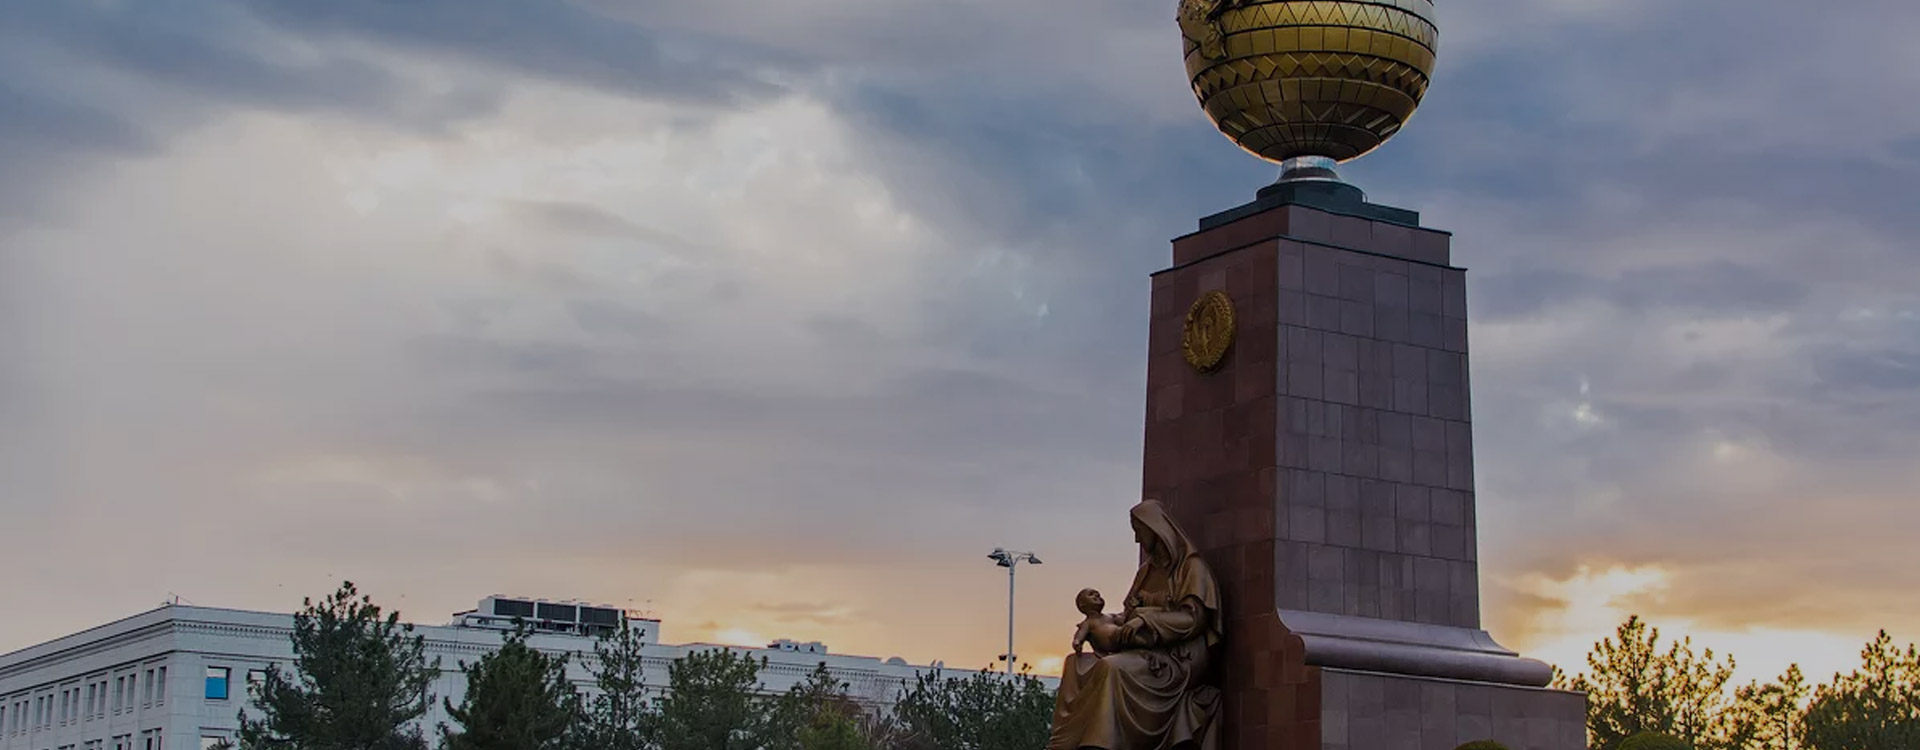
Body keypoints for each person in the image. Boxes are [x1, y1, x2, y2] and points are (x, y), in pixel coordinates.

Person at [1046, 500, 1221, 750]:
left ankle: (1099, 745)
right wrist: (1102, 622)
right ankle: (1063, 744)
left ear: (1155, 528)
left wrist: (1147, 619)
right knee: (1076, 664)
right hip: (1139, 649)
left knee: (1110, 668)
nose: (1137, 540)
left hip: (1179, 657)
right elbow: (1128, 614)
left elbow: (1194, 619)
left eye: (1138, 531)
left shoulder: (1192, 568)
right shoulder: (1146, 572)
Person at [1071, 589, 1125, 655]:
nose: (1096, 596)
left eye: (1098, 595)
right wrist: (1077, 643)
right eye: (1091, 594)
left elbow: (1123, 617)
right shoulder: (1087, 623)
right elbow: (1080, 635)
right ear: (1082, 604)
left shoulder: (1110, 616)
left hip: (1122, 635)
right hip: (1113, 640)